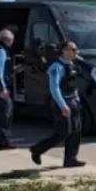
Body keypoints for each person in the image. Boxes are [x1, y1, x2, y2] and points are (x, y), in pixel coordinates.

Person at [29, 40, 86, 168]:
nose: (76, 52)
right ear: (64, 51)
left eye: (76, 49)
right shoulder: (56, 67)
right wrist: (63, 105)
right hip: (62, 102)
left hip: (73, 101)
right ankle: (37, 149)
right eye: (73, 49)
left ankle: (70, 159)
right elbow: (54, 88)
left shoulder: (72, 64)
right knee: (63, 132)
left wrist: (76, 98)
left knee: (76, 131)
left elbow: (72, 84)